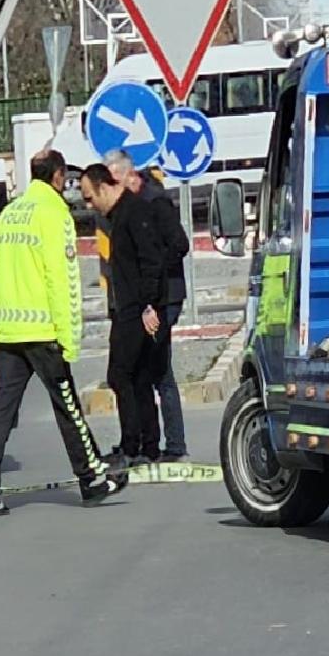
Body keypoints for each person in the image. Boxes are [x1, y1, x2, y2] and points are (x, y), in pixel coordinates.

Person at [0, 150, 125, 516]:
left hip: (7, 328)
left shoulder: (10, 213)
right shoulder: (54, 214)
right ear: (58, 177)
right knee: (67, 406)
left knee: (1, 410)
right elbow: (64, 282)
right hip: (41, 329)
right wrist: (68, 339)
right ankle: (91, 477)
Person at [100, 150, 192, 460]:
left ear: (130, 175)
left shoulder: (154, 202)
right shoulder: (129, 208)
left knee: (159, 371)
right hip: (149, 297)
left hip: (165, 297)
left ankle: (175, 445)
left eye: (115, 180)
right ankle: (144, 442)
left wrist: (152, 273)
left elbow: (179, 244)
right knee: (143, 370)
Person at [81, 163, 170, 465]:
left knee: (121, 376)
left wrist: (149, 305)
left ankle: (136, 446)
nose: (88, 205)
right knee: (137, 378)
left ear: (104, 187)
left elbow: (151, 261)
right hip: (127, 309)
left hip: (136, 311)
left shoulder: (134, 213)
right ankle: (146, 446)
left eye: (90, 197)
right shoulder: (119, 216)